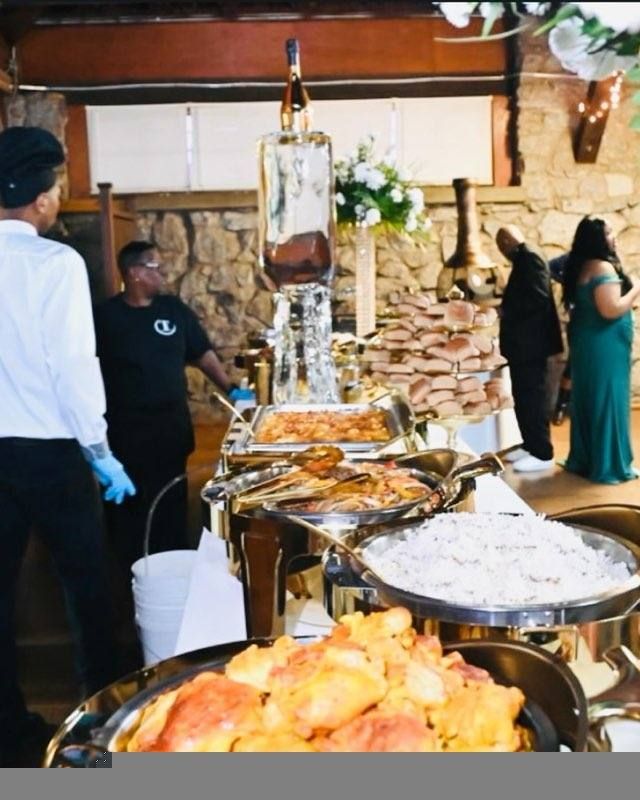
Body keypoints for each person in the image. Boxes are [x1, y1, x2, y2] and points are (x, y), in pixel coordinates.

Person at [0, 126, 136, 766]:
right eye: (55, 188)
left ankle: (8, 731)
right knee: (87, 588)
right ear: (41, 199)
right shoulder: (56, 264)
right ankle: (99, 723)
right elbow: (73, 367)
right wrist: (100, 450)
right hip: (51, 452)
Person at [94, 240, 252, 570]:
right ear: (135, 273)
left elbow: (202, 354)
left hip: (169, 428)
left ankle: (174, 561)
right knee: (129, 510)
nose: (163, 274)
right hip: (125, 432)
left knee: (171, 499)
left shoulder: (173, 310)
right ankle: (130, 569)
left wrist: (231, 389)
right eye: (155, 267)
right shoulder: (104, 318)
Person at [562, 216, 640, 484]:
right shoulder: (602, 267)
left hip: (590, 343)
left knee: (591, 398)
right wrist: (636, 289)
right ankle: (609, 466)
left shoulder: (582, 265)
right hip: (604, 345)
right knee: (609, 400)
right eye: (608, 232)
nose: (613, 236)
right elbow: (610, 309)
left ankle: (587, 459)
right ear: (597, 239)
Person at [496, 225, 563, 473]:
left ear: (506, 242)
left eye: (500, 246)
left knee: (533, 398)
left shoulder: (530, 257)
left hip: (531, 345)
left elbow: (537, 297)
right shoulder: (524, 257)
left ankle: (542, 452)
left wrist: (505, 309)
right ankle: (529, 444)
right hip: (523, 346)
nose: (501, 251)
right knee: (523, 398)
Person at [549, 253, 572, 426]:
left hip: (599, 320)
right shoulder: (572, 257)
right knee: (573, 363)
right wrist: (566, 283)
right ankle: (561, 406)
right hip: (578, 316)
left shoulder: (609, 258)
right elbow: (549, 267)